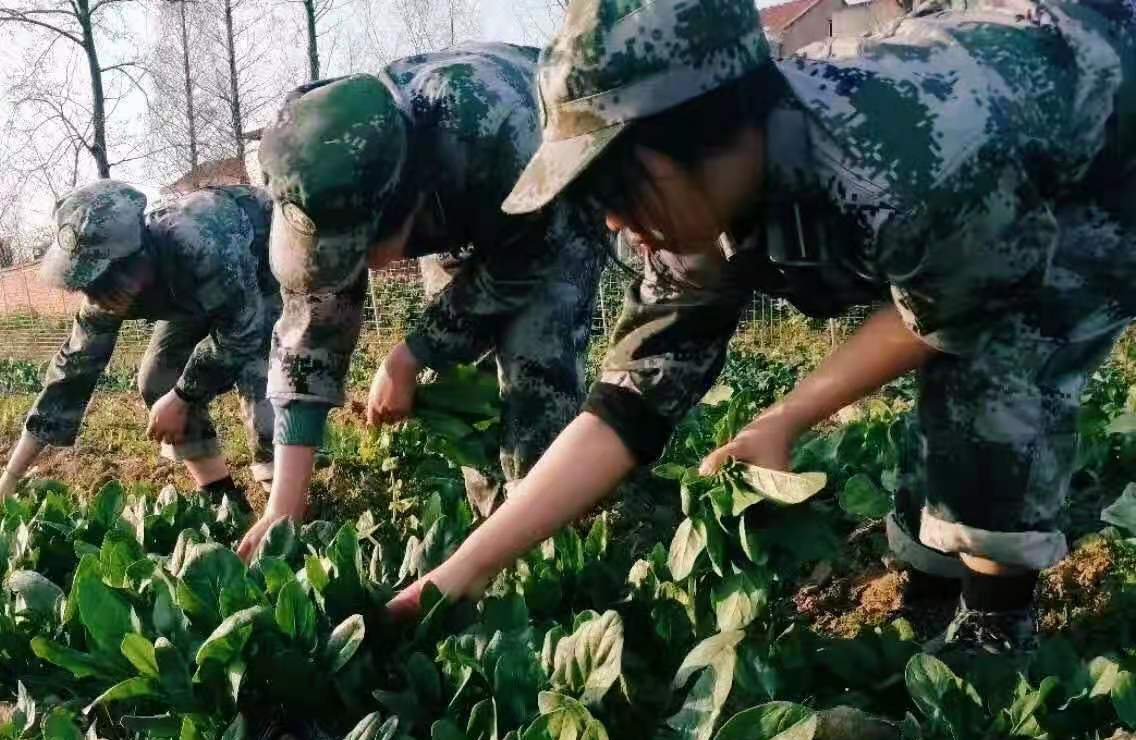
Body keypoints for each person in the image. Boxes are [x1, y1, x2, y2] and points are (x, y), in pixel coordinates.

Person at [385, 0, 1136, 656]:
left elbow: (950, 309)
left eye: (618, 183)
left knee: (995, 368)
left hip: (1104, 145)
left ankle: (997, 619)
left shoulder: (908, 158)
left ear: (713, 131)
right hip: (986, 174)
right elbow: (629, 399)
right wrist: (465, 570)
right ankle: (927, 581)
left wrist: (788, 414)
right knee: (956, 359)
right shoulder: (689, 212)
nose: (615, 220)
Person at [236, 45, 609, 559]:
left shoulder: (499, 127)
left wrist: (412, 351)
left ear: (404, 205)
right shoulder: (318, 172)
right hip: (455, 206)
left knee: (535, 370)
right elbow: (309, 333)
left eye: (367, 250)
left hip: (541, 205)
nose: (361, 267)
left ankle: (549, 546)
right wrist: (284, 503)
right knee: (468, 386)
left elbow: (528, 262)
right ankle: (492, 523)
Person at [0, 180, 278, 510]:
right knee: (158, 379)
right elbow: (69, 376)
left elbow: (242, 331)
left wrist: (184, 396)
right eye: (88, 283)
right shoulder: (105, 294)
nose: (98, 296)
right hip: (193, 295)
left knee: (262, 387)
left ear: (137, 255)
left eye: (105, 279)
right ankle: (224, 503)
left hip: (260, 271)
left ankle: (285, 512)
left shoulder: (200, 239)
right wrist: (8, 480)